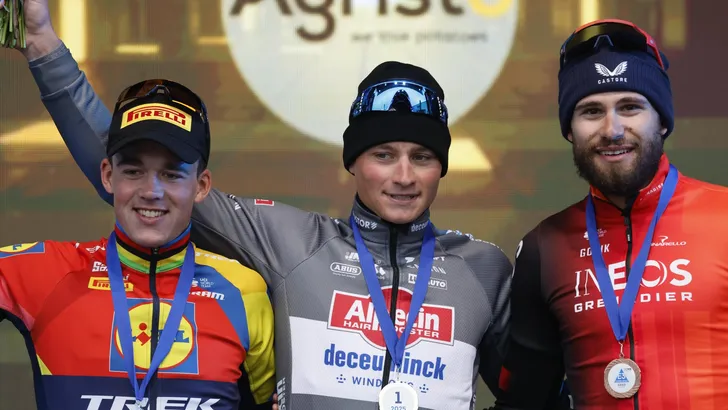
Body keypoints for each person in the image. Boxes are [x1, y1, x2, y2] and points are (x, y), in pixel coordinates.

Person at [10, 1, 515, 408]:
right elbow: (143, 177)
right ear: (353, 162)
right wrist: (43, 45)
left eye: (422, 157)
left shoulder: (485, 269)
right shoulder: (288, 243)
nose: (403, 176)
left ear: (441, 166)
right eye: (383, 155)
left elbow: (537, 389)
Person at [0, 76, 276, 409]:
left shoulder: (243, 291)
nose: (151, 191)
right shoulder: (45, 272)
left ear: (201, 186)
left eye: (171, 174)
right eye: (133, 171)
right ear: (108, 175)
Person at [495, 18, 728, 409]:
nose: (613, 129)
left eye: (630, 107)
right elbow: (523, 402)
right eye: (591, 111)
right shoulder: (544, 247)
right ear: (569, 130)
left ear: (662, 121)